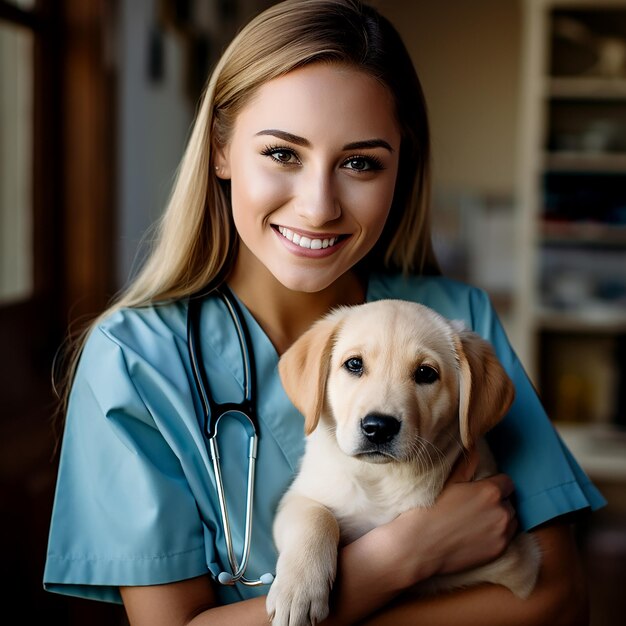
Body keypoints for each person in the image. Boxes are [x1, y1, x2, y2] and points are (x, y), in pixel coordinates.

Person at [44, 0, 605, 624]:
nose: (317, 206)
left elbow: (558, 596)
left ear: (400, 171)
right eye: (283, 153)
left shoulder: (454, 318)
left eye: (361, 163)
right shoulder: (133, 358)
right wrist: (403, 556)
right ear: (222, 151)